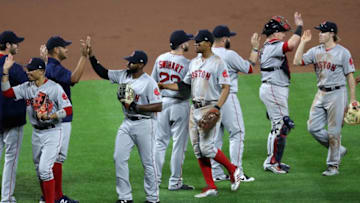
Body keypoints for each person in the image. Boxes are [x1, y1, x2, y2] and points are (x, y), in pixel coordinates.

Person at [159, 29, 241, 198]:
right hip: (194, 109)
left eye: (199, 42)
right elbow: (184, 86)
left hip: (209, 108)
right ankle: (211, 186)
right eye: (195, 41)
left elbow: (226, 87)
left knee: (207, 148)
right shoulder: (194, 63)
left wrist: (217, 108)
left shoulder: (218, 63)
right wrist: (164, 85)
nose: (195, 44)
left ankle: (233, 170)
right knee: (198, 149)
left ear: (208, 43)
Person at [87, 37, 161, 203]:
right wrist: (91, 56)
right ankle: (125, 198)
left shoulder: (149, 83)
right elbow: (102, 72)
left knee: (148, 163)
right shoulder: (123, 75)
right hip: (127, 123)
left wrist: (137, 107)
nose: (128, 64)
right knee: (119, 158)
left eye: (132, 62)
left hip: (145, 124)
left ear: (141, 64)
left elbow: (158, 106)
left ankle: (153, 198)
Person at [1, 56, 73, 203]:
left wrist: (52, 116)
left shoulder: (54, 88)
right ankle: (46, 199)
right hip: (36, 133)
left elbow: (68, 109)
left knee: (45, 169)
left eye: (31, 70)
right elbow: (7, 92)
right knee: (39, 170)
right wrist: (5, 72)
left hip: (53, 132)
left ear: (41, 71)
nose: (28, 72)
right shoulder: (26, 87)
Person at [293, 21, 356, 176]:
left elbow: (350, 77)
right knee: (312, 127)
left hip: (337, 94)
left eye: (323, 32)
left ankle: (333, 166)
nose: (319, 34)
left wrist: (353, 100)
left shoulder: (343, 52)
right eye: (320, 31)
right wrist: (303, 42)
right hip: (321, 93)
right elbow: (297, 61)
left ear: (332, 34)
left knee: (334, 132)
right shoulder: (316, 51)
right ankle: (338, 149)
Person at [39, 36, 88, 203]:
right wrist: (84, 56)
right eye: (64, 47)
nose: (67, 49)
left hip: (49, 117)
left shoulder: (47, 66)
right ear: (56, 50)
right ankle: (56, 197)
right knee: (56, 158)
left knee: (51, 158)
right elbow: (74, 79)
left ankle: (48, 196)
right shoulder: (53, 67)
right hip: (59, 119)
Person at [210, 25, 260, 182]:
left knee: (215, 138)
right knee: (237, 133)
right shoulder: (229, 55)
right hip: (227, 98)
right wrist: (255, 49)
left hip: (210, 100)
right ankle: (236, 172)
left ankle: (216, 174)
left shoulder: (205, 55)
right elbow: (249, 68)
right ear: (225, 39)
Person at [259, 12, 303, 174]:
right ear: (275, 33)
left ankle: (275, 160)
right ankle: (271, 162)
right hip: (273, 88)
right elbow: (291, 45)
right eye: (282, 32)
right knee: (281, 126)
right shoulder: (272, 46)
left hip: (274, 88)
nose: (284, 35)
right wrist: (299, 27)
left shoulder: (268, 46)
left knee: (278, 126)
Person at [151, 30, 194, 191]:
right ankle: (175, 182)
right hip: (179, 105)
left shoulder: (160, 59)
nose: (189, 43)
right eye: (187, 41)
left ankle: (154, 180)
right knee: (179, 145)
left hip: (161, 104)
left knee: (159, 143)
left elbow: (153, 83)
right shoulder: (187, 63)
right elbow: (186, 89)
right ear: (182, 44)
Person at [0, 30, 28, 203]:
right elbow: (30, 83)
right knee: (11, 159)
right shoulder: (14, 68)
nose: (18, 45)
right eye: (15, 43)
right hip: (12, 119)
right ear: (8, 46)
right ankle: (6, 198)